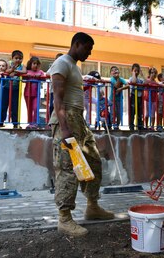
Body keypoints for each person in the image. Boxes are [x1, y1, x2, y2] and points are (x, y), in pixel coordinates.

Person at [47, 32, 114, 237]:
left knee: (93, 162)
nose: (89, 52)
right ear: (77, 44)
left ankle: (92, 206)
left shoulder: (73, 66)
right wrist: (65, 127)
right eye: (88, 48)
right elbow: (57, 98)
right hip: (66, 119)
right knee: (68, 168)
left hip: (79, 121)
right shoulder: (62, 63)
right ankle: (65, 219)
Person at [0, 50, 27, 128]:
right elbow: (6, 71)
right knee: (4, 105)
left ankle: (15, 123)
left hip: (16, 89)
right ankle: (0, 121)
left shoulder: (22, 65)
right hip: (6, 88)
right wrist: (12, 70)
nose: (18, 60)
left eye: (20, 58)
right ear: (12, 58)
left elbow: (24, 71)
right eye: (16, 58)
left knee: (15, 106)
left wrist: (15, 71)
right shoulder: (9, 63)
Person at [24, 56, 46, 129]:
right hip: (27, 93)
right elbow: (23, 77)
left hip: (36, 94)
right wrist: (26, 75)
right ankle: (30, 123)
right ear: (30, 64)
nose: (35, 65)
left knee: (35, 108)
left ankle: (35, 123)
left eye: (37, 64)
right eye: (34, 63)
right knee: (29, 109)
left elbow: (45, 78)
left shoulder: (40, 72)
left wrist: (40, 76)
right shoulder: (27, 71)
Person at [109, 66, 128, 130]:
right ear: (111, 73)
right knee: (113, 112)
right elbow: (116, 85)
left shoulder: (120, 78)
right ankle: (113, 124)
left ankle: (117, 125)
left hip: (119, 99)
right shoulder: (112, 79)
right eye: (113, 70)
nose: (114, 71)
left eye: (116, 70)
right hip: (112, 99)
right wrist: (118, 79)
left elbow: (128, 85)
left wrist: (121, 88)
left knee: (119, 113)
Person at [128, 63, 145, 131]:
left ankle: (140, 125)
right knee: (132, 112)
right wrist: (133, 73)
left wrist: (142, 75)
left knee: (139, 112)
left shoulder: (140, 80)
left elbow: (146, 83)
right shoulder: (131, 78)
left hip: (140, 97)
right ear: (132, 71)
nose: (137, 72)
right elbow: (134, 81)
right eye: (135, 70)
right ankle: (131, 126)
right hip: (133, 96)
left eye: (138, 71)